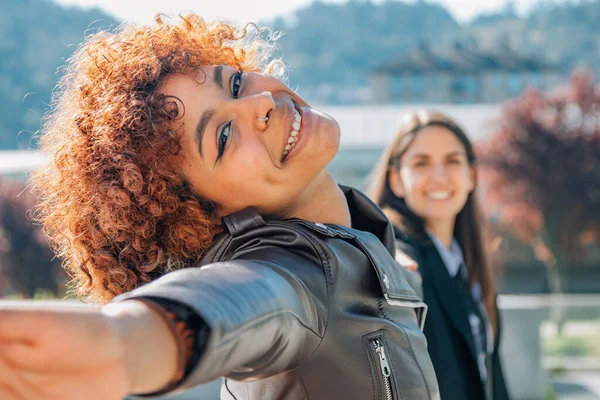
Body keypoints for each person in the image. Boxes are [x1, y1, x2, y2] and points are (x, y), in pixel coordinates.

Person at [0, 14, 440, 400]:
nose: (261, 103)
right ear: (195, 217)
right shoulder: (294, 270)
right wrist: (127, 340)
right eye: (223, 137)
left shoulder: (354, 234)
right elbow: (248, 298)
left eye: (234, 82)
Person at [368, 110, 511, 400]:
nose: (439, 177)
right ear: (396, 179)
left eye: (452, 161)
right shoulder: (395, 255)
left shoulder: (470, 264)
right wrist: (390, 264)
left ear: (471, 176)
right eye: (421, 163)